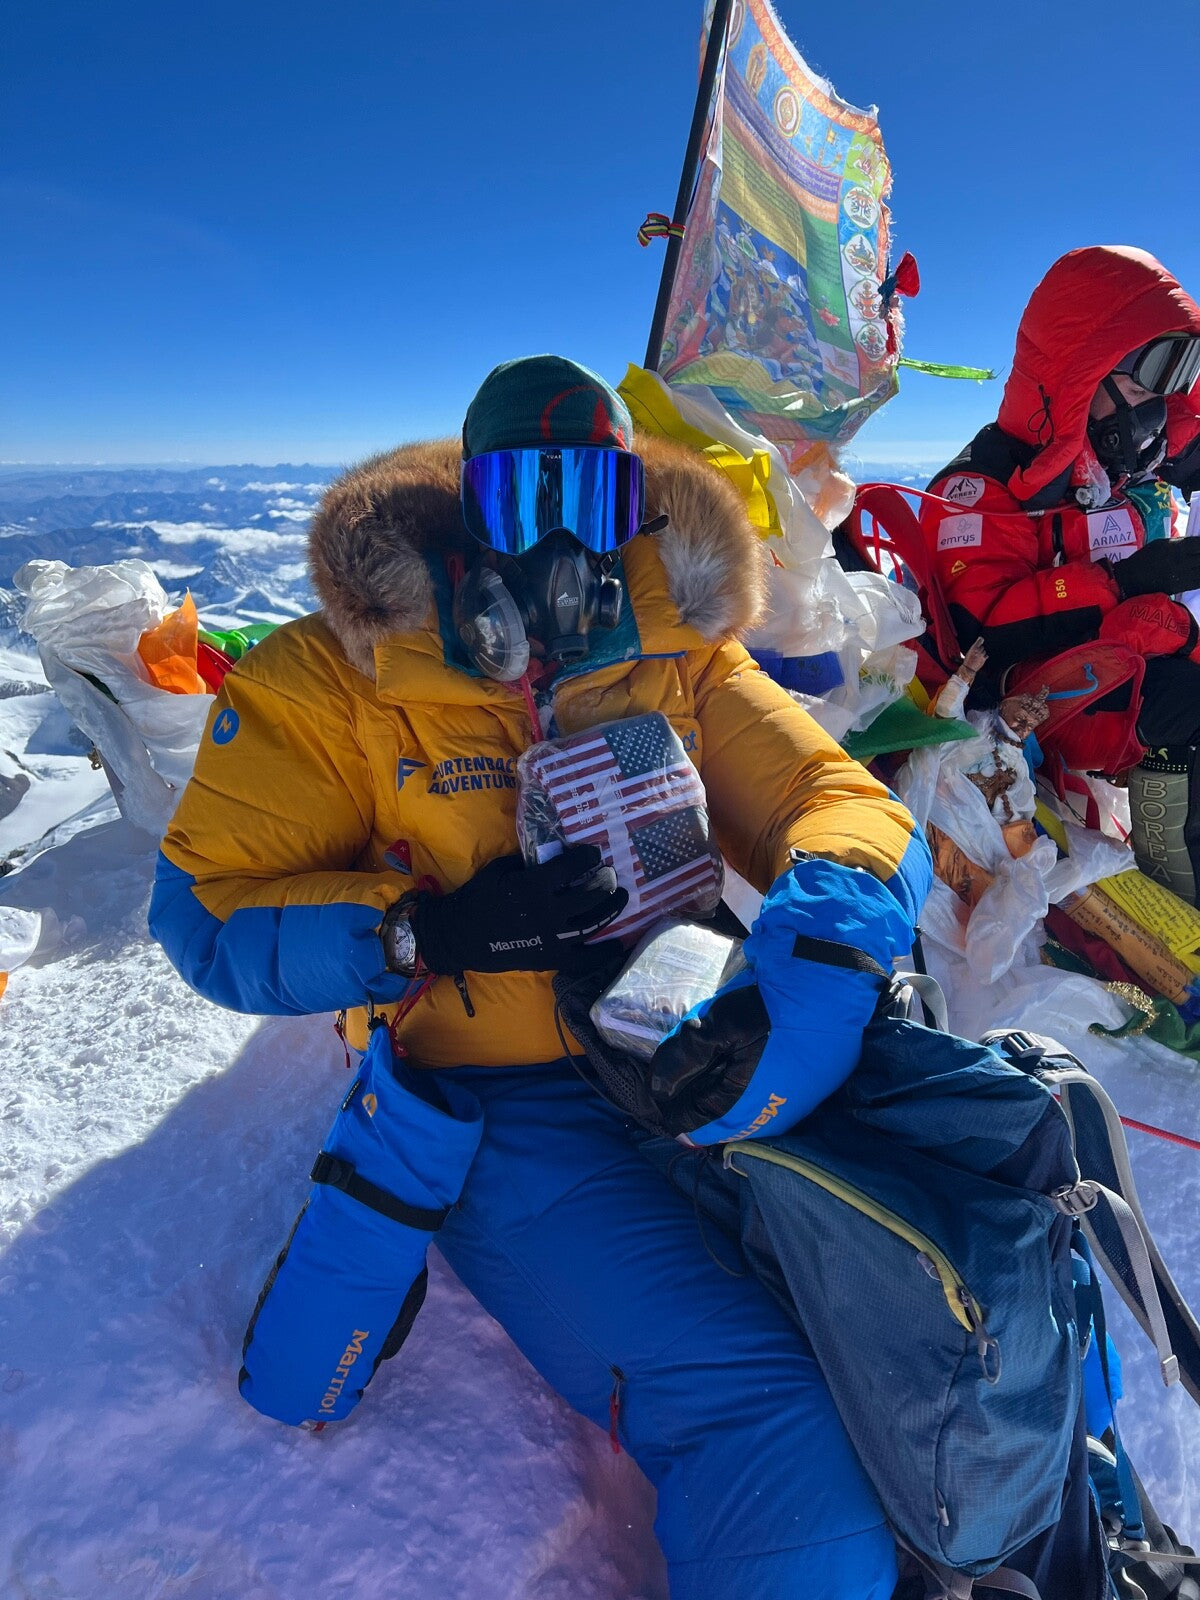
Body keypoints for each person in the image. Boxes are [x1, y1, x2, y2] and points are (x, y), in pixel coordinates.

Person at [149, 356, 931, 1600]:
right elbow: (203, 918)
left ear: (638, 506)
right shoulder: (337, 677)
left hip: (688, 1042)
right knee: (770, 1411)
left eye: (599, 494)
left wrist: (829, 934)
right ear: (468, 507)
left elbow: (830, 801)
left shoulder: (676, 646)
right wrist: (420, 935)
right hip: (512, 1109)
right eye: (525, 496)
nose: (566, 535)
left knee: (941, 1308)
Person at [922, 245, 1200, 900]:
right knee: (1185, 706)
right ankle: (1177, 878)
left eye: (1158, 397)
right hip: (1021, 700)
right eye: (1134, 390)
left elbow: (1184, 447)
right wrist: (1125, 582)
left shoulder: (1099, 470)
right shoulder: (982, 482)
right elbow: (982, 623)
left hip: (1096, 660)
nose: (1147, 414)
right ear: (1081, 374)